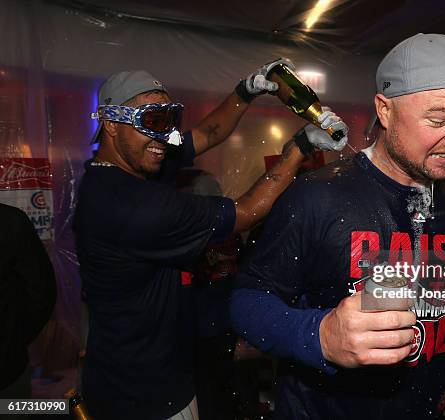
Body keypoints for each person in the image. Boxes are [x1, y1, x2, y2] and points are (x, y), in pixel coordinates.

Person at [230, 34, 445, 419]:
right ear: (385, 110)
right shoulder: (317, 196)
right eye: (439, 119)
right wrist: (320, 336)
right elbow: (246, 300)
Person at [74, 61, 348, 420]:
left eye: (169, 120)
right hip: (147, 394)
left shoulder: (128, 166)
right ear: (111, 123)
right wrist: (300, 147)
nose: (164, 136)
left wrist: (246, 90)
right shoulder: (132, 206)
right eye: (152, 122)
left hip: (135, 373)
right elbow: (248, 211)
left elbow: (208, 132)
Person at [0, 203, 56, 410]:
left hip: (8, 371)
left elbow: (40, 292)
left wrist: (14, 338)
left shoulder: (10, 221)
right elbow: (41, 292)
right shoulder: (10, 220)